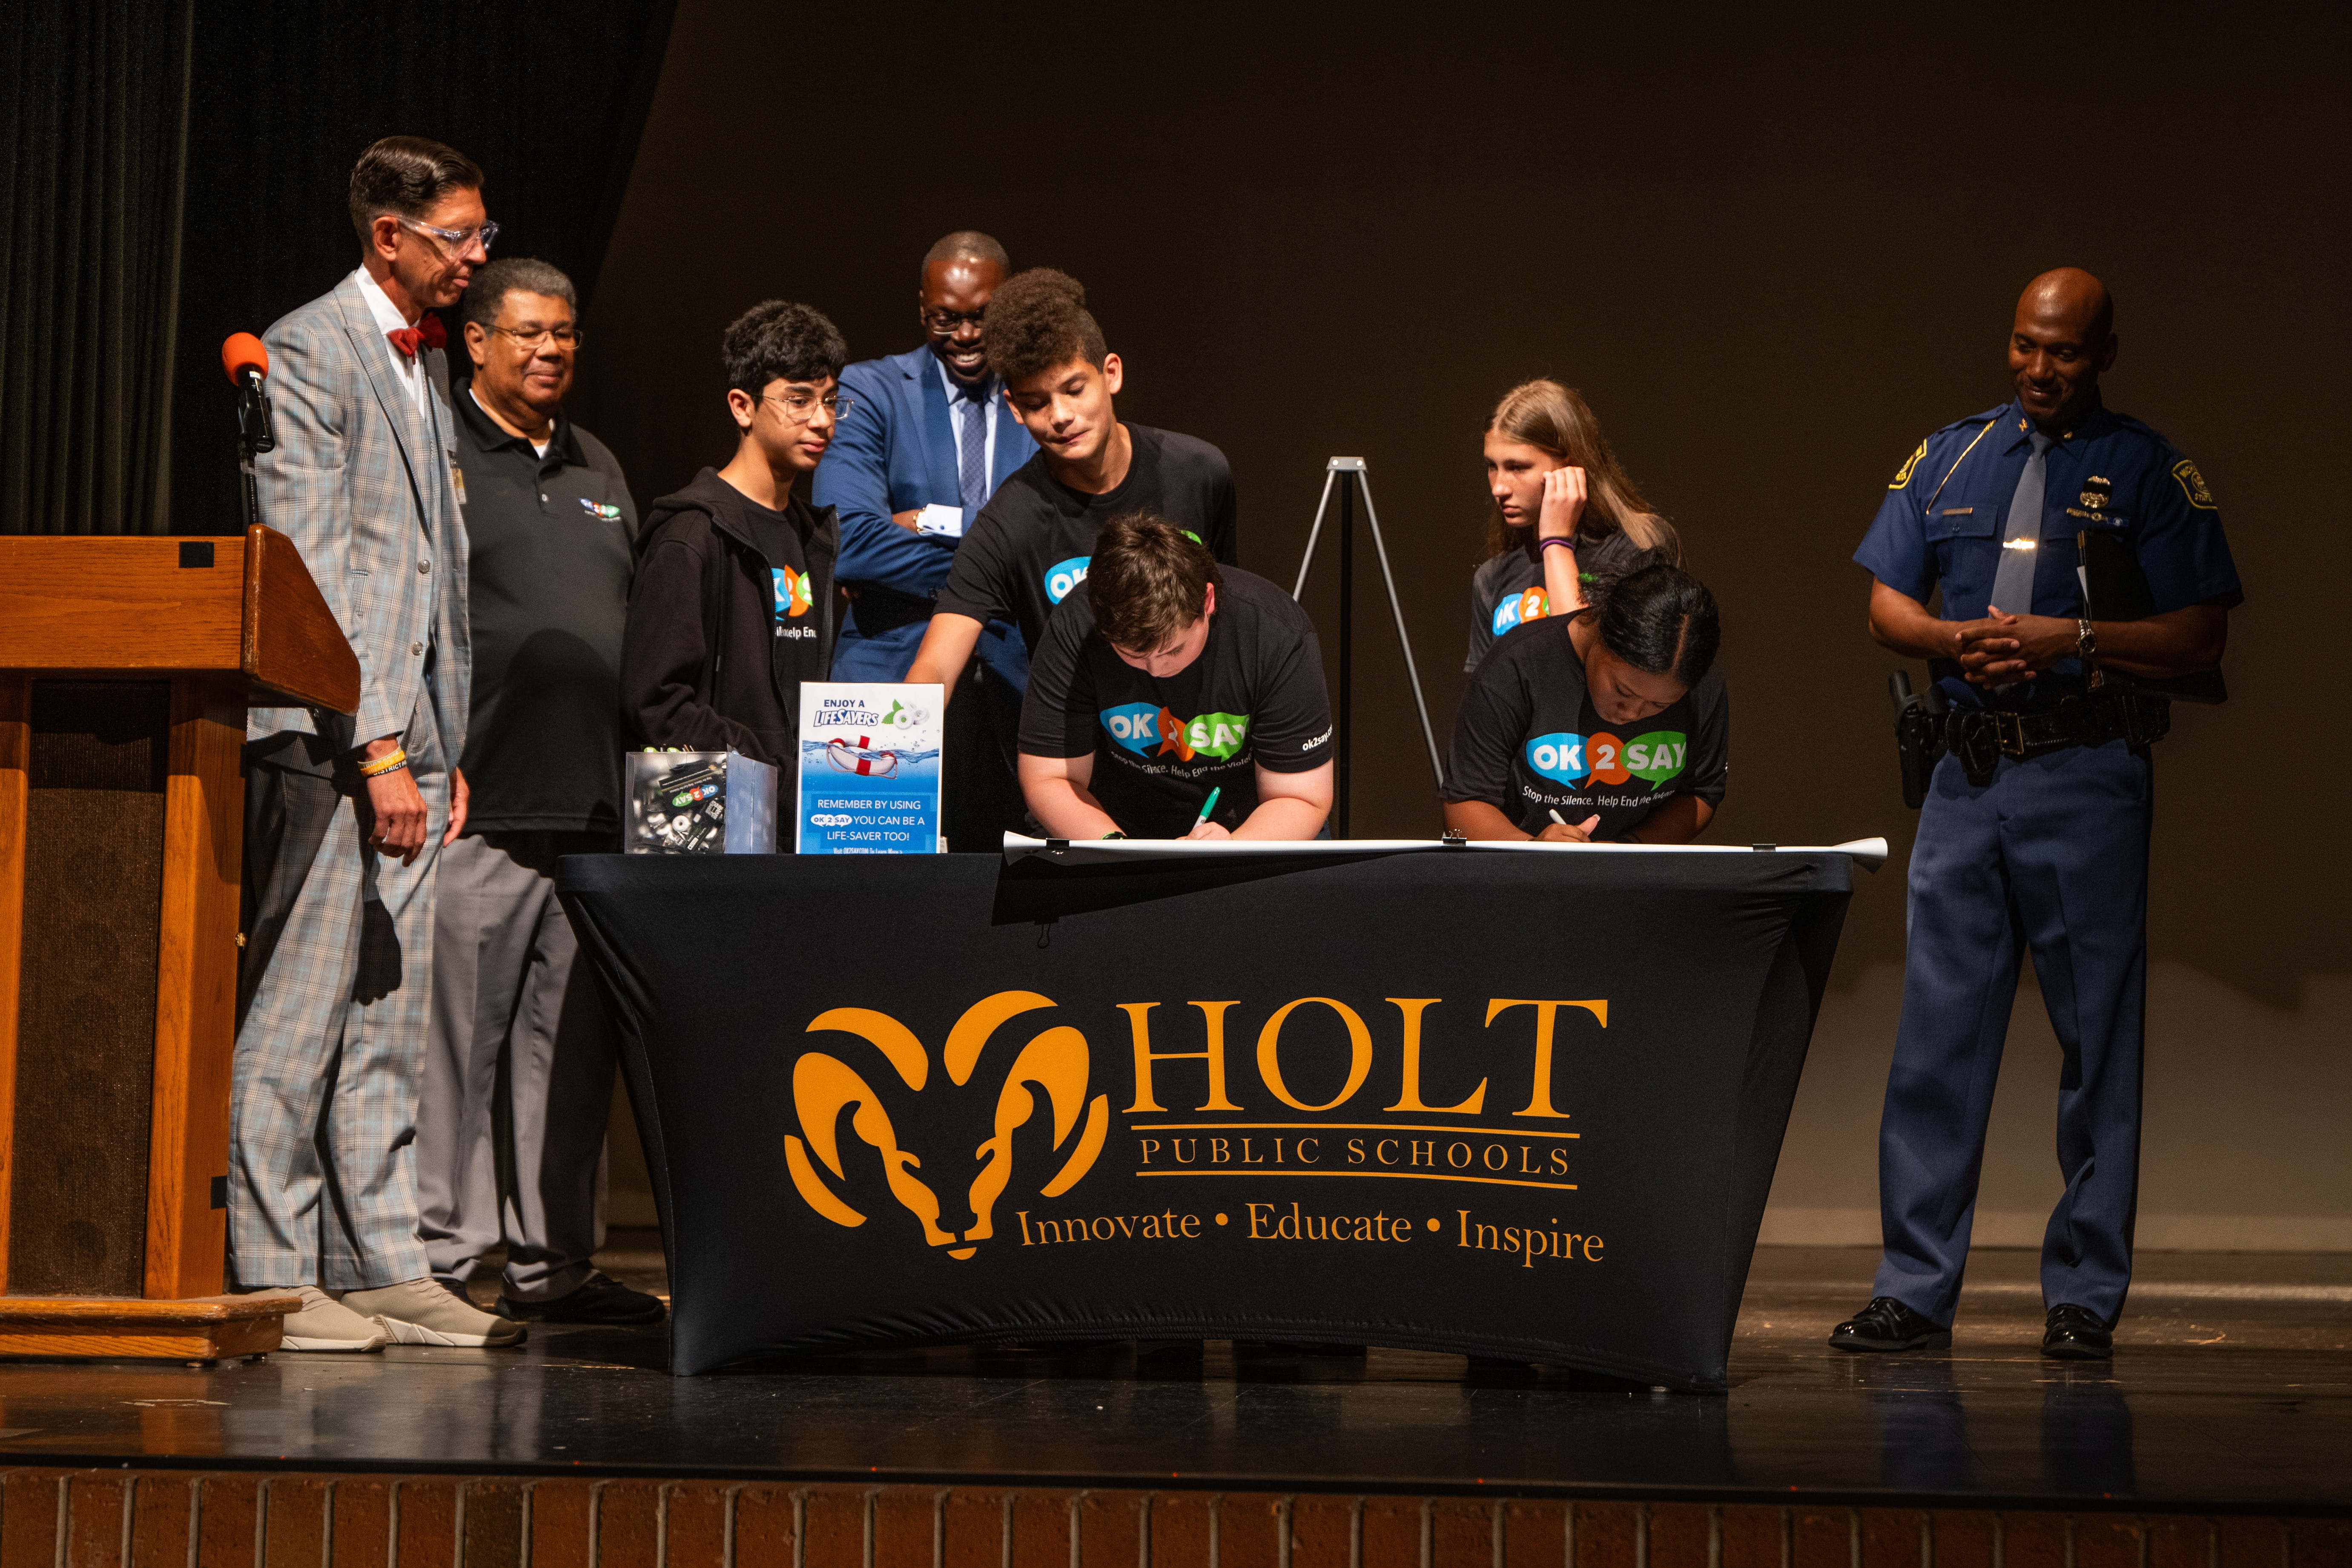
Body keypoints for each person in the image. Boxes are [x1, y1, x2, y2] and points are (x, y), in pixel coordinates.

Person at [1835, 268, 2241, 1361]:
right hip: (1968, 781)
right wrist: (1949, 641)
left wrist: (2077, 640)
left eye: (2063, 351)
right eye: (2025, 346)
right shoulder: (1953, 453)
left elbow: (2202, 636)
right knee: (1935, 1041)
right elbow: (1884, 602)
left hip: (2086, 773)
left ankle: (2082, 1294)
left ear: (2104, 352)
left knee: (2097, 1040)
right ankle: (1914, 1288)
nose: (2039, 369)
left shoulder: (2149, 468)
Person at [236, 135, 522, 1351]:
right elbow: (313, 570)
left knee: (386, 1017)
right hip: (334, 736)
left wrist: (441, 754)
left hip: (413, 742)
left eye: (481, 235)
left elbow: (429, 576)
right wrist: (379, 749)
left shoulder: (425, 360)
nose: (474, 259)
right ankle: (273, 1265)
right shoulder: (311, 347)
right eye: (457, 238)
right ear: (387, 236)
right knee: (300, 1014)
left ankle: (383, 1256)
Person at [419, 257, 663, 1328]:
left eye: (565, 334)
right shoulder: (435, 448)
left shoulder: (598, 460)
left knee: (567, 1061)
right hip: (480, 799)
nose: (552, 350)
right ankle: (434, 1265)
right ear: (475, 340)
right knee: (455, 1053)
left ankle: (552, 1269)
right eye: (528, 333)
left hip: (592, 807)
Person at [906, 269, 1238, 704]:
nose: (1060, 415)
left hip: (1192, 739)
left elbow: (1232, 613)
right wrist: (900, 732)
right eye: (1036, 402)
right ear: (1014, 408)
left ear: (1112, 373)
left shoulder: (1199, 473)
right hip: (1073, 751)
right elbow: (936, 663)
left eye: (1074, 389)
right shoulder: (1010, 521)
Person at [814, 231, 1038, 847]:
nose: (965, 336)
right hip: (889, 675)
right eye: (947, 318)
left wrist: (927, 521)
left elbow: (1055, 542)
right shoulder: (870, 389)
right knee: (868, 893)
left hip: (1019, 689)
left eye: (982, 317)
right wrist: (997, 554)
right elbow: (852, 541)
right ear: (921, 308)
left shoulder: (1041, 397)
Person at [619, 301, 847, 766]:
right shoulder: (692, 532)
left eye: (829, 400)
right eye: (799, 400)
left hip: (795, 821)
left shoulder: (811, 535)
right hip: (717, 819)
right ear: (743, 407)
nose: (822, 420)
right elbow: (656, 704)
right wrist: (772, 771)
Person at [1018, 513, 1331, 840]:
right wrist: (1118, 852)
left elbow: (1301, 797)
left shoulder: (1274, 636)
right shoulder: (1076, 627)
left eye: (1173, 650)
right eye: (1133, 655)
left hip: (1252, 830)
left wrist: (1234, 849)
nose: (1157, 669)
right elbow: (1050, 777)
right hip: (1113, 826)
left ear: (1207, 601)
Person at [1443, 554, 1726, 843]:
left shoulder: (1700, 687)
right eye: (1623, 691)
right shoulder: (1515, 668)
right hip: (1517, 876)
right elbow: (1465, 802)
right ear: (1599, 630)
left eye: (1660, 705)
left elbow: (1700, 792)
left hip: (1636, 879)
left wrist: (1630, 850)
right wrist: (1532, 849)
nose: (1631, 712)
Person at [1467, 380, 1680, 674]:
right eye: (1493, 466)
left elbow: (1583, 667)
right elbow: (1486, 701)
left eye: (1518, 467)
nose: (1499, 487)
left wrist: (1556, 542)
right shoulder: (1492, 579)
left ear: (1570, 465)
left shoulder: (1640, 545)